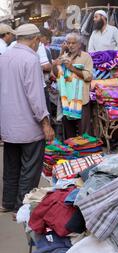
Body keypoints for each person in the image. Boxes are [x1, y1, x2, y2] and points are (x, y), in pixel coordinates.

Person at [0, 24, 55, 214]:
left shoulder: (5, 55)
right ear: (35, 40)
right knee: (30, 168)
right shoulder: (30, 58)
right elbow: (35, 96)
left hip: (8, 124)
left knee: (11, 166)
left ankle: (7, 203)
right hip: (28, 125)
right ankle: (21, 208)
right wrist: (46, 123)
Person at [53, 32, 93, 138]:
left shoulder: (86, 57)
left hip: (82, 100)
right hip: (67, 101)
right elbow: (56, 74)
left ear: (79, 44)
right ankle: (72, 152)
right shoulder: (64, 56)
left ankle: (84, 153)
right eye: (68, 43)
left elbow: (88, 76)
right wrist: (59, 58)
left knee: (83, 132)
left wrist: (72, 68)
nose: (70, 45)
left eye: (73, 43)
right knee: (69, 132)